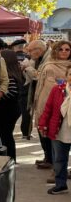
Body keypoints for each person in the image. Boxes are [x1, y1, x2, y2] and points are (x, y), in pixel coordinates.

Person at [31, 40, 71, 175]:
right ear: (55, 51)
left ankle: (60, 171)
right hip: (48, 104)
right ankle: (57, 170)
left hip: (67, 107)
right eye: (61, 49)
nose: (64, 52)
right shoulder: (49, 64)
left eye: (67, 49)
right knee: (53, 138)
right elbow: (43, 86)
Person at [38, 65, 71, 194]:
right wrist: (43, 124)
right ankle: (61, 185)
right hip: (59, 130)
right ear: (66, 76)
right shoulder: (57, 90)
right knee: (59, 160)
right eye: (70, 74)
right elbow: (49, 108)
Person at [0, 50, 24, 160]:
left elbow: (11, 92)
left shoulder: (9, 75)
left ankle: (10, 158)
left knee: (6, 135)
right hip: (11, 109)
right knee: (6, 134)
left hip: (8, 109)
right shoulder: (14, 72)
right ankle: (11, 158)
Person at [23, 40, 47, 142]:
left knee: (44, 124)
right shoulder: (38, 58)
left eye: (30, 51)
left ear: (39, 50)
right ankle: (47, 154)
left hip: (45, 97)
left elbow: (39, 76)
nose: (28, 53)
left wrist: (28, 67)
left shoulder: (47, 59)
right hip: (39, 95)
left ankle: (48, 155)